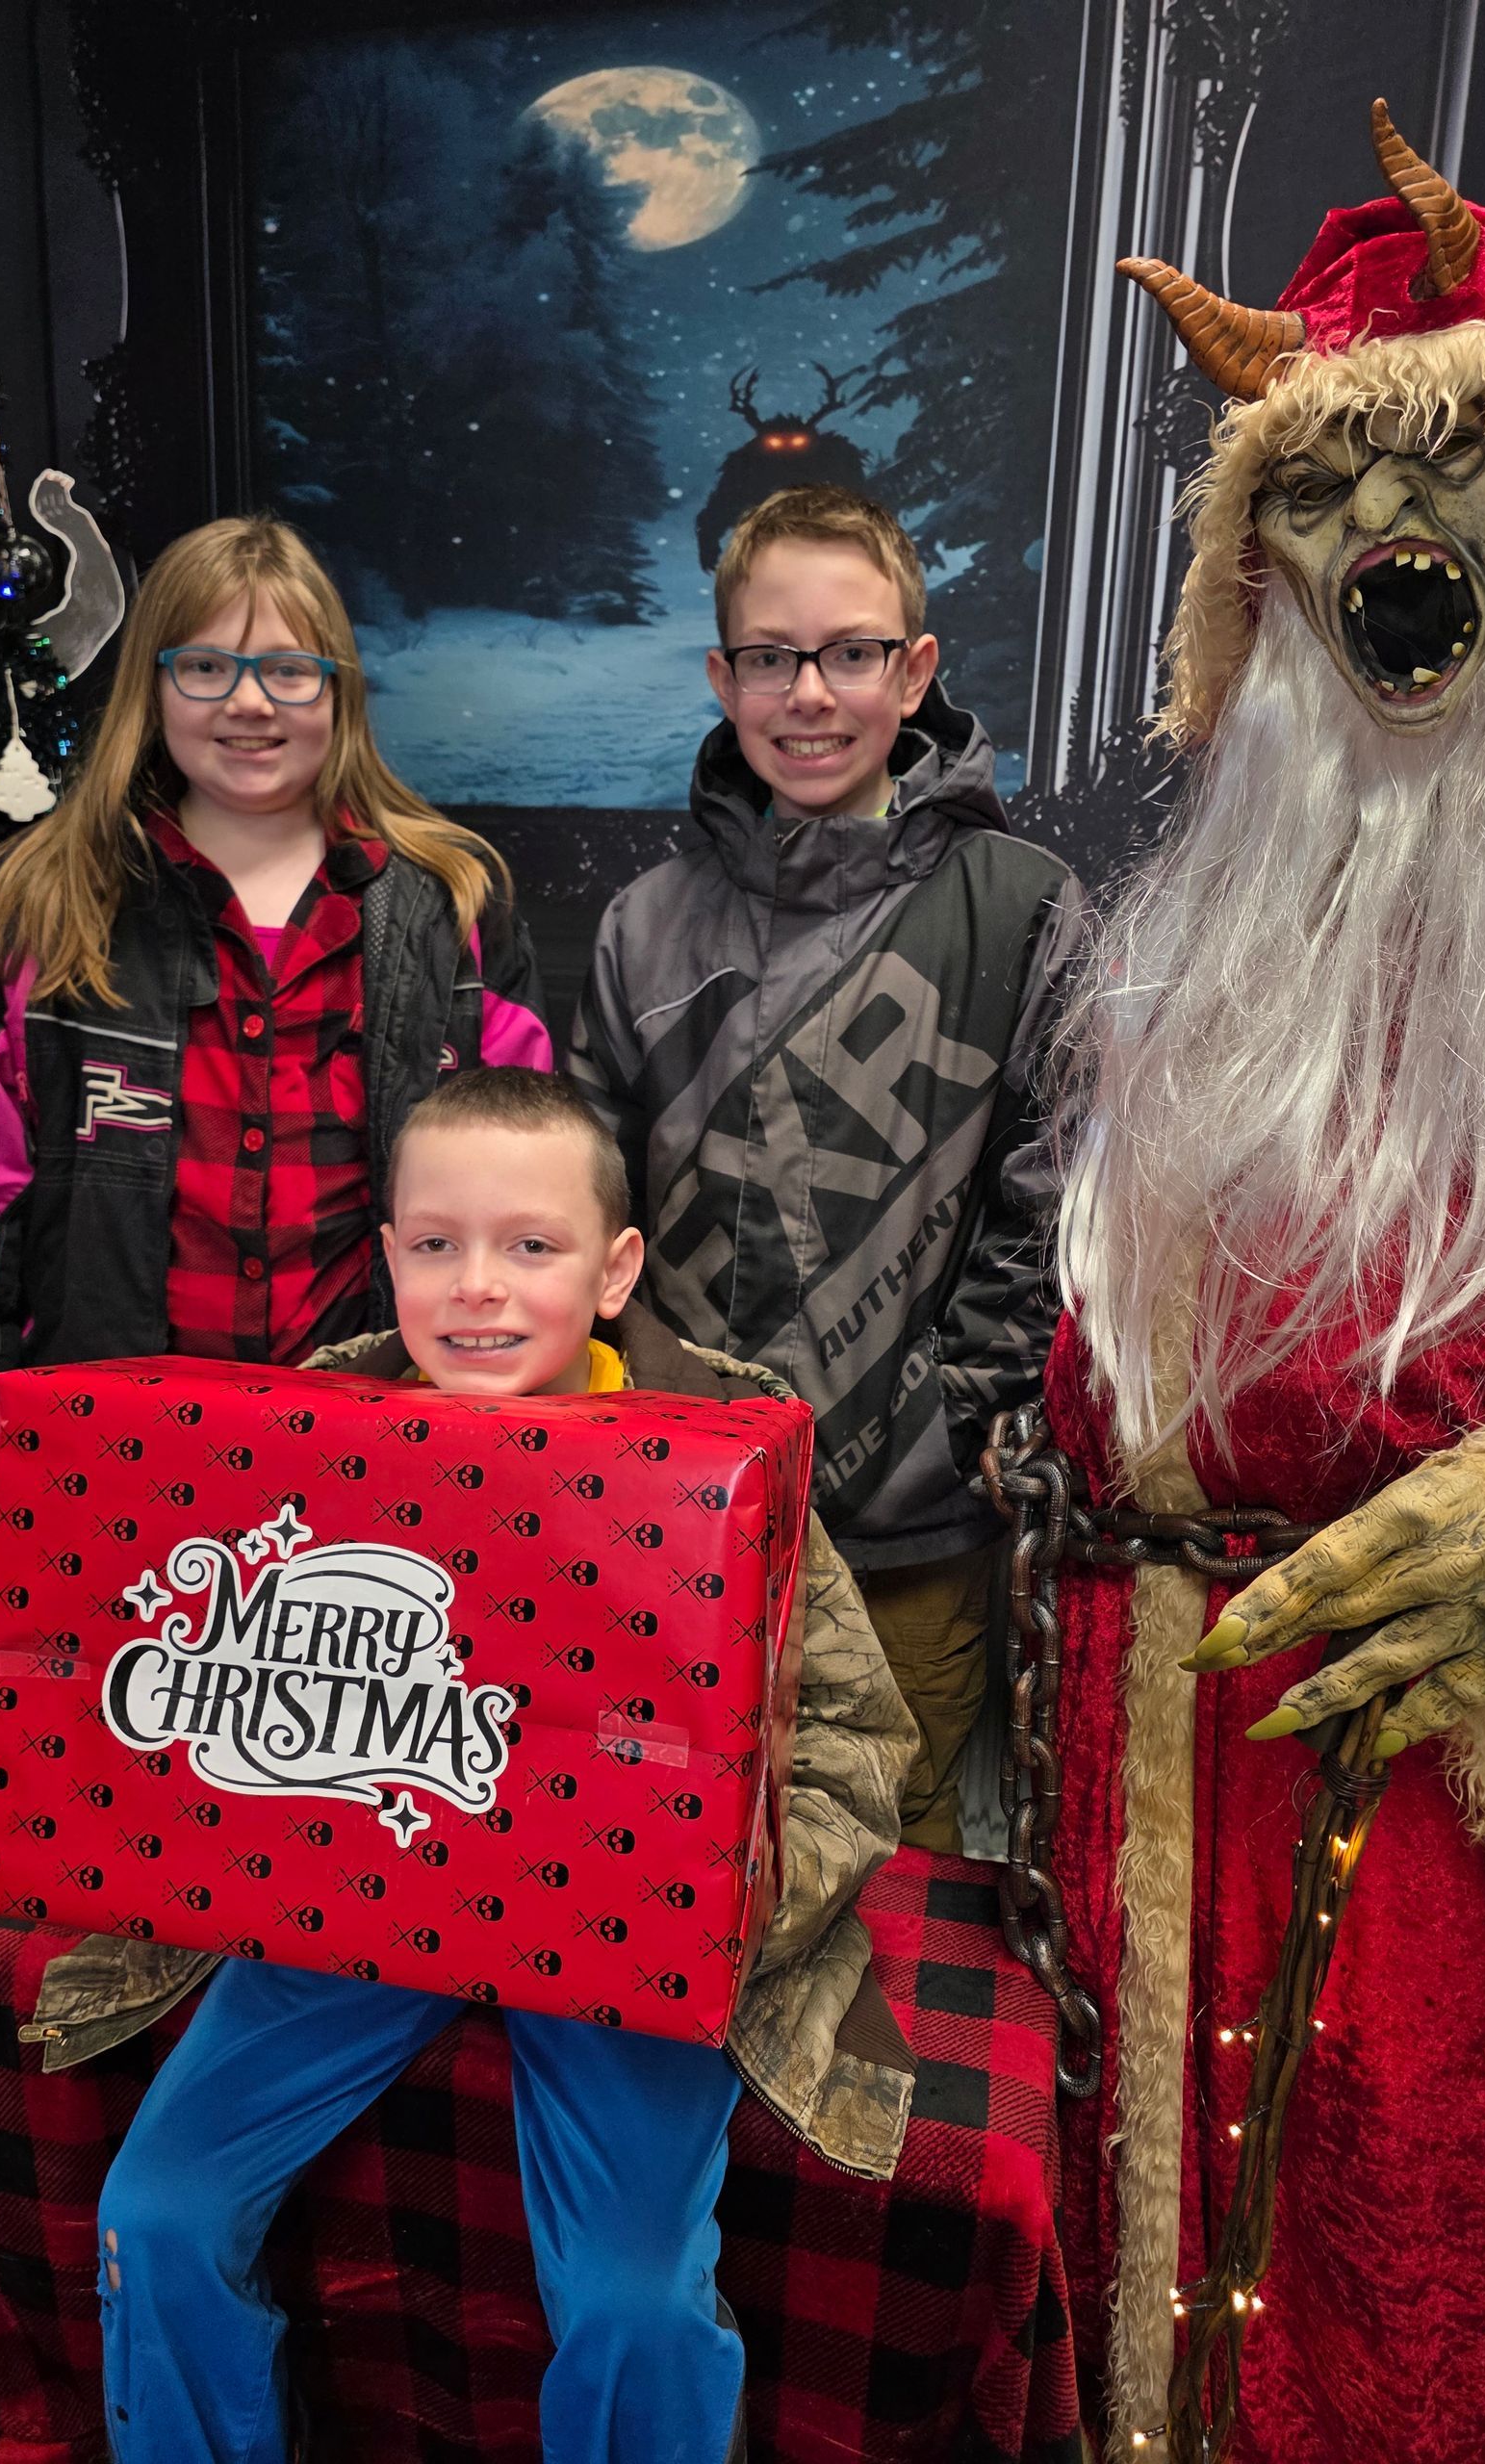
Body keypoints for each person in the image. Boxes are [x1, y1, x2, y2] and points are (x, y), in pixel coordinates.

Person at [1048, 104, 1485, 2463]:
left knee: (1444, 2338)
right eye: (1313, 482)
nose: (1382, 524)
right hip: (1169, 1778)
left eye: (1451, 455)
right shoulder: (1200, 923)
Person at [75, 1065, 917, 2464]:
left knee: (635, 2298)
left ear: (614, 1271)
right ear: (389, 1254)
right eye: (436, 1244)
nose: (478, 1286)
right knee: (153, 2214)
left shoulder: (722, 1454)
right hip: (355, 1906)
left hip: (620, 1937)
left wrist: (727, 1907)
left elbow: (855, 1745)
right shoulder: (302, 1438)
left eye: (531, 1245)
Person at [0, 515, 550, 1661]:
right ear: (154, 688)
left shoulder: (452, 906)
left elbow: (535, 1235)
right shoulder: (35, 910)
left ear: (337, 690)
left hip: (386, 1501)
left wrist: (521, 1508)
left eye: (288, 669)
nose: (249, 703)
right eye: (206, 667)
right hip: (107, 1499)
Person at [570, 484, 1084, 1851]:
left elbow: (1052, 1205)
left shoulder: (1021, 907)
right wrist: (640, 1414)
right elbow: (584, 1202)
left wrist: (944, 1427)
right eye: (770, 657)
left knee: (881, 1884)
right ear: (721, 677)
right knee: (644, 1847)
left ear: (914, 671)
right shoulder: (644, 927)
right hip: (664, 1515)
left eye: (851, 652)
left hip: (908, 1541)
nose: (809, 693)